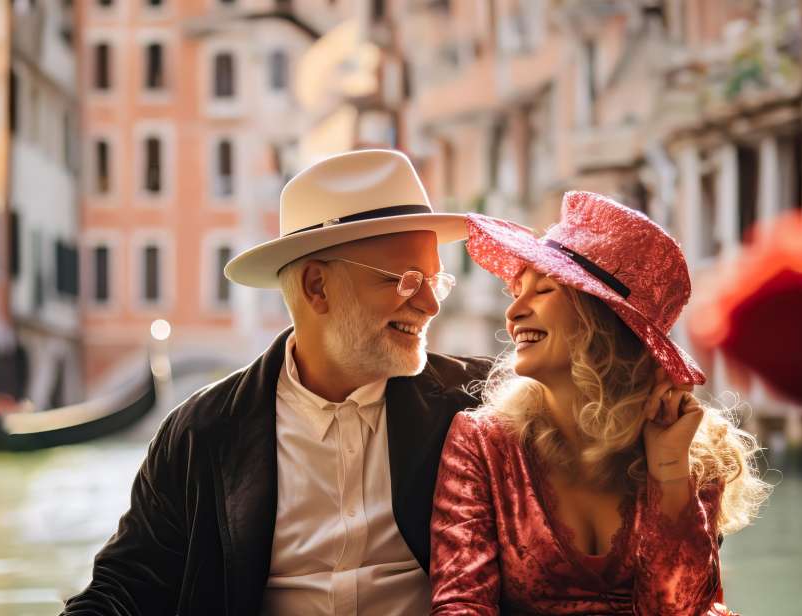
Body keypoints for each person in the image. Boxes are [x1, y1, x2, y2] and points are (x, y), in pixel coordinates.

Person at [63, 150, 491, 615]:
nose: (430, 305)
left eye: (434, 280)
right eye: (407, 280)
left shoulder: (481, 406)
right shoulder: (199, 435)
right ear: (316, 287)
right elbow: (124, 590)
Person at [430, 192, 771, 615]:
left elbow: (680, 611)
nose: (513, 312)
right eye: (518, 291)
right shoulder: (483, 441)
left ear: (601, 318)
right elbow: (461, 605)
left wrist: (668, 472)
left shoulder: (694, 453)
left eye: (543, 290)